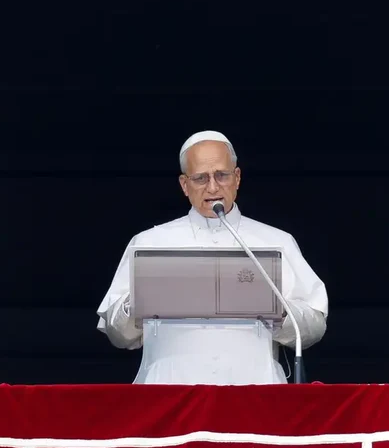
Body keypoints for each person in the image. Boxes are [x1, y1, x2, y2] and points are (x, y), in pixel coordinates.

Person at [96, 130, 328, 383]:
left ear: (237, 178)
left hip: (256, 390)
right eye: (200, 178)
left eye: (222, 175)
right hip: (170, 390)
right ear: (185, 185)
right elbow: (117, 335)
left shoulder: (277, 241)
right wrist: (138, 304)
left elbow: (314, 327)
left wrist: (279, 312)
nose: (213, 187)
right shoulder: (149, 242)